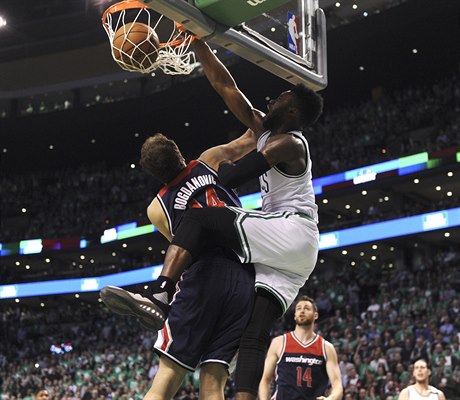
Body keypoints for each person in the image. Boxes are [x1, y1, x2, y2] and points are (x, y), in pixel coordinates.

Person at [102, 38, 323, 400]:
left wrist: (197, 179)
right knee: (250, 338)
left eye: (280, 97)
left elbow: (234, 177)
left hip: (290, 229)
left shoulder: (291, 143)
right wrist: (197, 41)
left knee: (203, 218)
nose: (271, 99)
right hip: (276, 258)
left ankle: (159, 295)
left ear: (294, 112)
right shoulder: (257, 136)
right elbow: (225, 86)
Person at [101, 132, 256, 399]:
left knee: (167, 378)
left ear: (154, 175)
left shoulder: (156, 209)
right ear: (180, 152)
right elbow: (250, 139)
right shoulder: (209, 160)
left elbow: (182, 245)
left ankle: (159, 295)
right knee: (214, 379)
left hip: (204, 276)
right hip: (245, 272)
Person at [259, 296, 343, 400]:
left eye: (307, 308)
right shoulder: (279, 342)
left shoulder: (326, 347)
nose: (302, 311)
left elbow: (337, 384)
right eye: (299, 308)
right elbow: (265, 379)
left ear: (315, 315)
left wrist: (330, 399)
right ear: (295, 315)